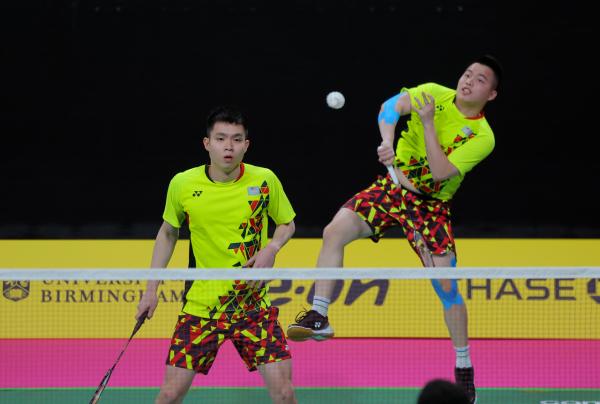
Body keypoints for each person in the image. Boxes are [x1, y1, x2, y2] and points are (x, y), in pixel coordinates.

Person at [287, 55, 503, 404]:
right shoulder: (433, 93)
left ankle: (463, 367)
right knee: (334, 231)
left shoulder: (482, 136)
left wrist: (428, 123)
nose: (468, 81)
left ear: (491, 94)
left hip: (430, 207)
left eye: (480, 80)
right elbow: (389, 107)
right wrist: (387, 141)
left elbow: (439, 173)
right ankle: (319, 315)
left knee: (447, 288)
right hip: (391, 187)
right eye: (467, 74)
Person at [136, 106, 297, 404]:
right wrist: (150, 290)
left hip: (252, 307)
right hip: (202, 307)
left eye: (236, 139)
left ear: (246, 145)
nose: (229, 146)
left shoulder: (265, 180)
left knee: (285, 394)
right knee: (169, 395)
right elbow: (168, 234)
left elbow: (287, 223)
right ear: (207, 143)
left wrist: (272, 248)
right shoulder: (183, 183)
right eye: (221, 139)